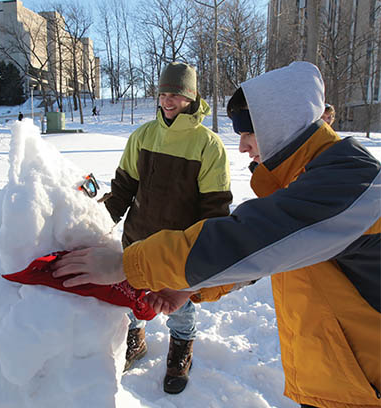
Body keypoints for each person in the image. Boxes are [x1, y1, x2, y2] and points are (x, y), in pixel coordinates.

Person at [53, 61, 381, 408]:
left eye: (248, 133)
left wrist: (128, 264)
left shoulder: (352, 184)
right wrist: (192, 285)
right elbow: (265, 256)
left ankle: (182, 348)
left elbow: (246, 239)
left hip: (365, 387)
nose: (241, 147)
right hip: (340, 383)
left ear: (278, 127)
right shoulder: (310, 178)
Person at [99, 61, 233, 394]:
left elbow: (215, 211)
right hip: (138, 242)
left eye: (175, 94)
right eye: (163, 93)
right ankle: (136, 340)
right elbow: (122, 190)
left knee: (181, 308)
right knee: (131, 299)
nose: (167, 100)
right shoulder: (143, 136)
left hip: (179, 251)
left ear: (191, 96)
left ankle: (180, 351)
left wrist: (202, 257)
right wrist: (97, 222)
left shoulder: (209, 145)